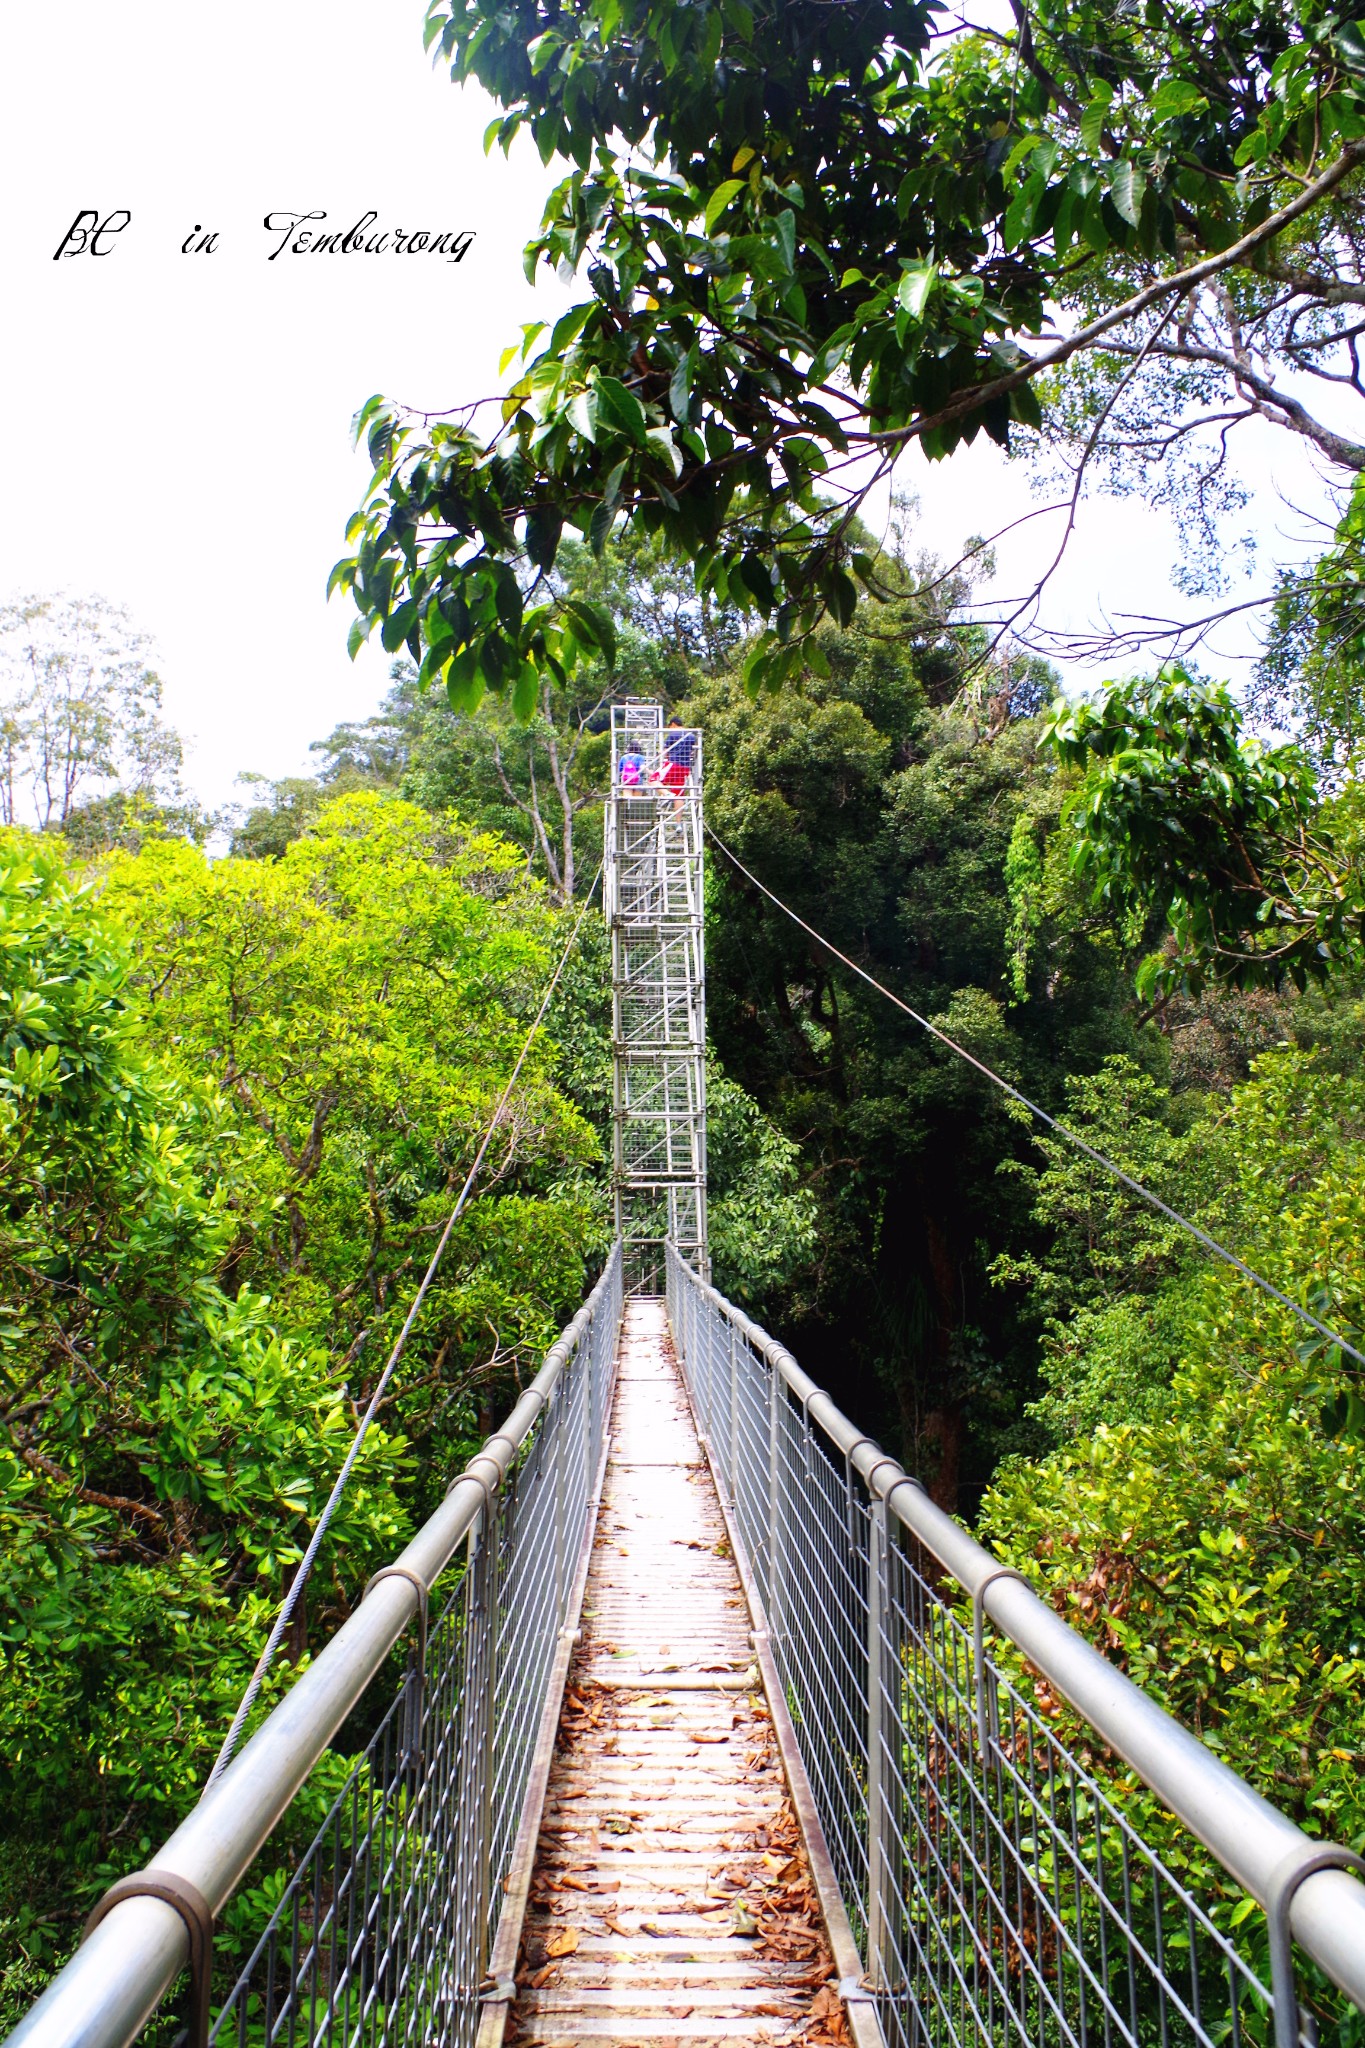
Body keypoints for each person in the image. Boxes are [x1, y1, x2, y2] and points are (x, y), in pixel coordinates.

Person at [653, 717, 696, 816]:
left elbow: (665, 751)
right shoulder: (691, 735)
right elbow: (692, 752)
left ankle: (667, 795)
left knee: (653, 780)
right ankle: (678, 824)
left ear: (673, 724)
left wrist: (660, 756)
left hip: (673, 764)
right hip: (685, 768)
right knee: (679, 795)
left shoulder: (673, 734)